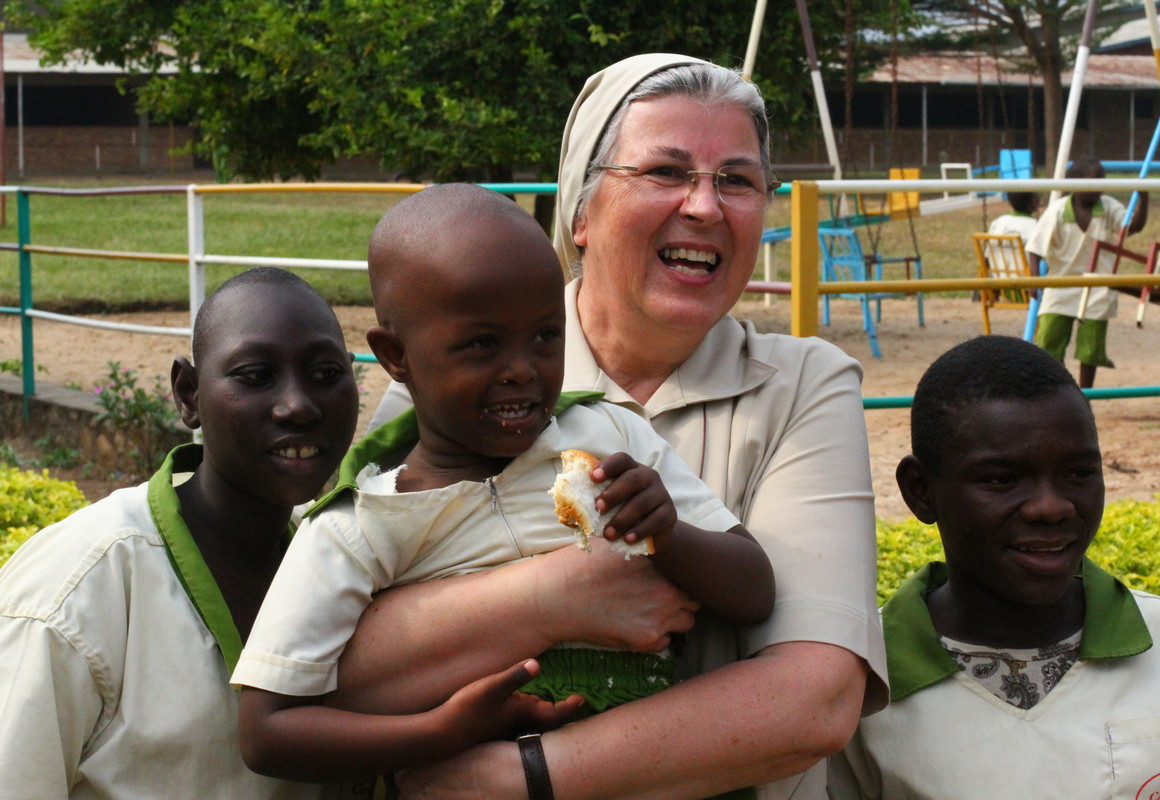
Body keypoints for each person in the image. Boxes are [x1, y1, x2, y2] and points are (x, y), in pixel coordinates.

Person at [354, 54, 887, 800]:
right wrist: (556, 596)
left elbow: (814, 699)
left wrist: (519, 779)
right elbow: (330, 665)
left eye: (737, 180)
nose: (705, 206)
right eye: (666, 171)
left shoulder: (803, 386)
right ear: (580, 212)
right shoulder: (453, 382)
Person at [232, 184, 774, 785]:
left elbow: (754, 590)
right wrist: (442, 730)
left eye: (546, 336)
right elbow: (266, 731)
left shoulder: (608, 436)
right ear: (395, 356)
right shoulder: (358, 529)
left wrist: (668, 534)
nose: (522, 369)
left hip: (650, 770)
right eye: (482, 344)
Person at [0, 267, 361, 799]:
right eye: (256, 376)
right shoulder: (77, 591)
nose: (298, 406)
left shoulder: (343, 564)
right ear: (188, 393)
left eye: (326, 373)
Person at [826, 335, 1160, 800]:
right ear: (920, 491)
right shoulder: (856, 680)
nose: (1051, 507)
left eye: (1079, 473)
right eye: (1002, 479)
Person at [1026, 157, 1149, 388]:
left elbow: (1133, 227)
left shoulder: (1109, 207)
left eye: (1102, 181)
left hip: (1098, 287)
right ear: (1075, 183)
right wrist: (1034, 279)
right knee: (1048, 343)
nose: (1098, 188)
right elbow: (1035, 248)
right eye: (1093, 182)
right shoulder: (1058, 210)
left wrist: (1144, 197)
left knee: (1090, 350)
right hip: (1061, 285)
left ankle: (1085, 394)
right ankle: (1061, 389)